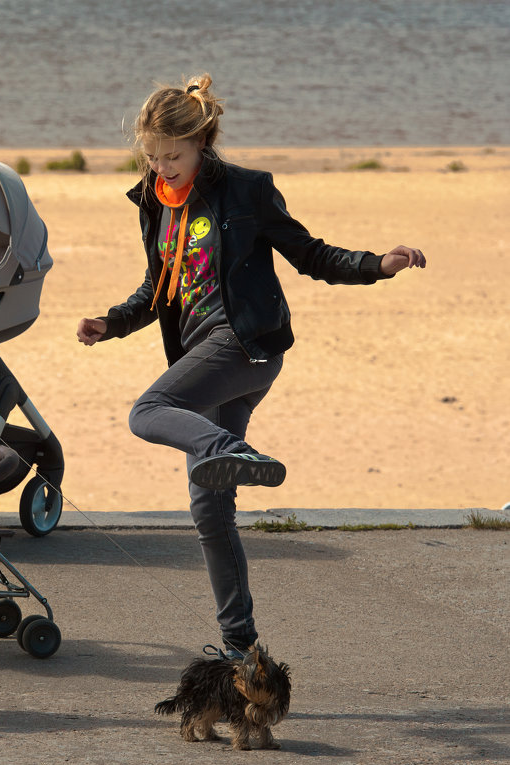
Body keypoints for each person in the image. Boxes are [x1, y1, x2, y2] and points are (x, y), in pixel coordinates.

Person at [76, 74, 426, 660]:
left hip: (248, 344)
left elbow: (311, 253)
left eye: (174, 155)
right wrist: (112, 322)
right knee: (210, 510)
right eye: (153, 155)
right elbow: (158, 286)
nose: (162, 167)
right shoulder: (153, 201)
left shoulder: (247, 191)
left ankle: (230, 452)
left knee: (149, 411)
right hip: (200, 354)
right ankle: (241, 648)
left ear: (202, 144)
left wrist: (377, 265)